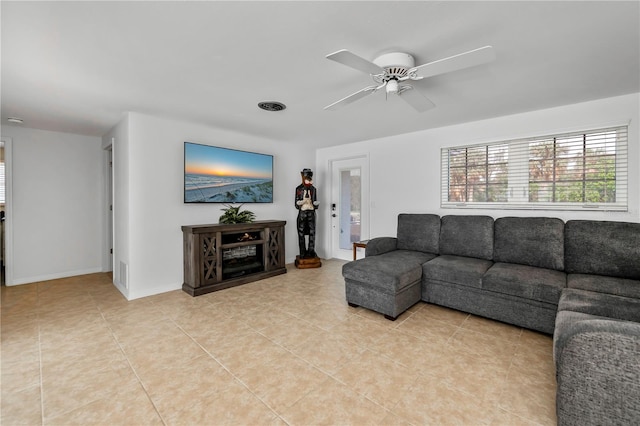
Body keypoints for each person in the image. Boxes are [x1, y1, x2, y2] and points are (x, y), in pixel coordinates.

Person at [295, 168, 319, 258]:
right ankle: (302, 252)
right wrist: (301, 203)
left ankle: (311, 251)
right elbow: (296, 204)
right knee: (301, 233)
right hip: (302, 213)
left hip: (311, 213)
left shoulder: (313, 189)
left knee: (312, 233)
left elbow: (315, 201)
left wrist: (316, 205)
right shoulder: (298, 189)